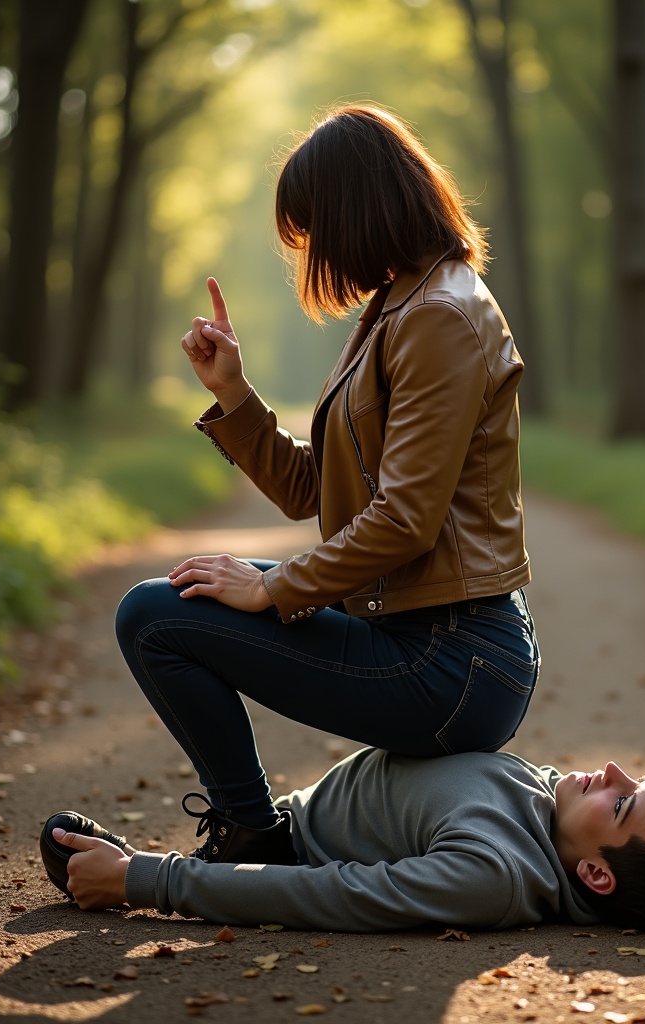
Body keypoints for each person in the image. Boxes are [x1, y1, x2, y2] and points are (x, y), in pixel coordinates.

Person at [114, 103, 538, 867]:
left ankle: (252, 834)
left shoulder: (439, 315)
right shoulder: (401, 304)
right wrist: (234, 394)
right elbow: (315, 489)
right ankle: (253, 829)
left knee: (155, 619)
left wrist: (272, 588)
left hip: (453, 661)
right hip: (422, 634)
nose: (313, 251)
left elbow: (405, 519)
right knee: (168, 603)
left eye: (313, 229)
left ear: (354, 213)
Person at [40, 711, 645, 934]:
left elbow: (329, 893)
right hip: (310, 805)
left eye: (624, 802)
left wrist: (147, 878)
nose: (615, 771)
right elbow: (630, 824)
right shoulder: (558, 817)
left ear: (593, 873)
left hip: (284, 841)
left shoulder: (492, 875)